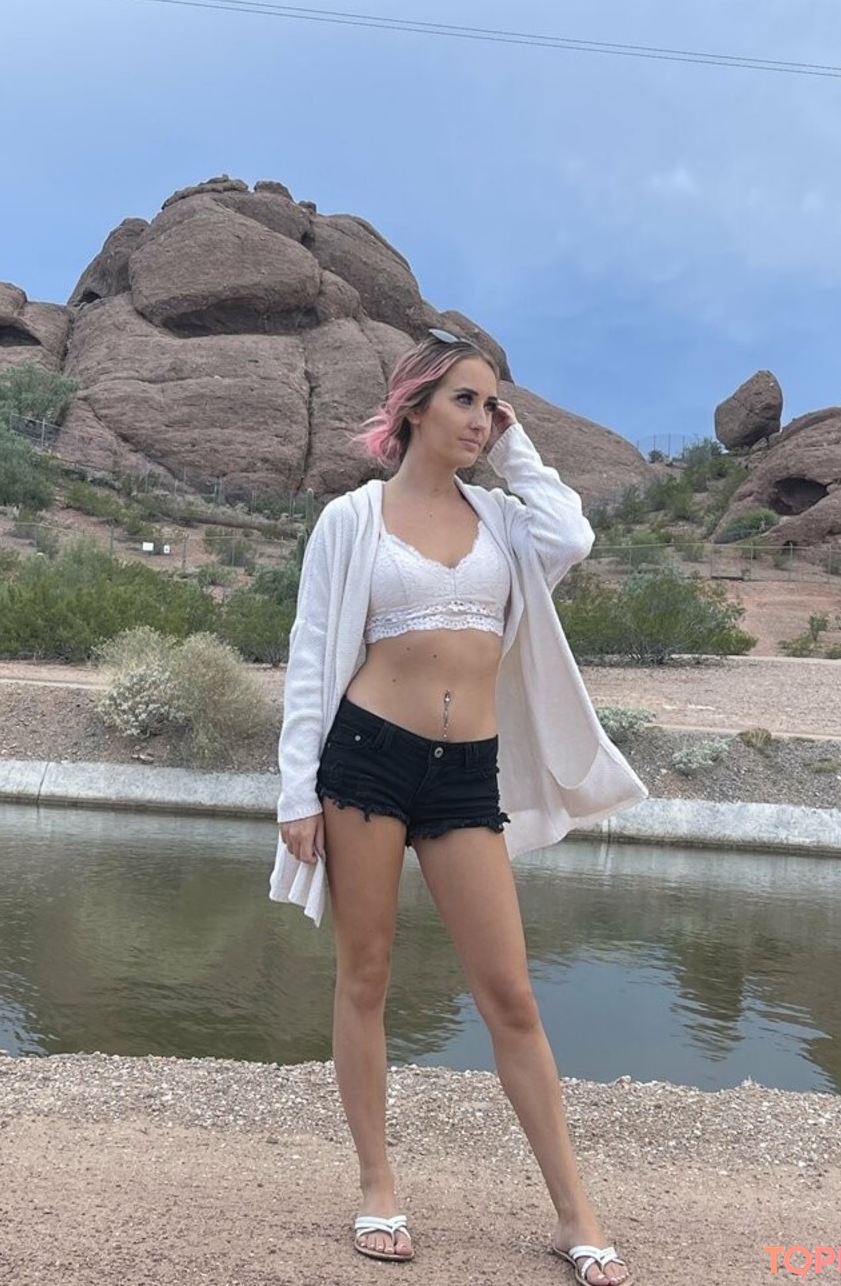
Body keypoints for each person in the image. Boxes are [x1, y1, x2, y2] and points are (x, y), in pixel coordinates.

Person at [268, 328, 648, 1285]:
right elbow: (311, 657)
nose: (483, 419)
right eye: (466, 401)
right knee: (366, 976)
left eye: (492, 404)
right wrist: (296, 793)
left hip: (467, 773)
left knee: (510, 994)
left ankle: (575, 1214)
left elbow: (574, 534)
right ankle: (377, 1185)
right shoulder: (350, 520)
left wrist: (516, 448)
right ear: (414, 409)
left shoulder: (507, 520)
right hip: (366, 761)